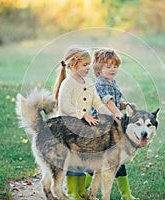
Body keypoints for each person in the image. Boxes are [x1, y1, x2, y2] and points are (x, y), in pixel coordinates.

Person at [53, 46, 112, 200]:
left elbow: (97, 103)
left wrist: (111, 115)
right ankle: (72, 190)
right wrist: (84, 115)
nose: (88, 68)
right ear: (73, 65)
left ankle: (81, 190)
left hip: (82, 128)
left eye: (89, 64)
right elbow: (65, 107)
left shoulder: (89, 82)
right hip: (67, 128)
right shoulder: (68, 83)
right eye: (85, 65)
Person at [89, 48, 139, 200]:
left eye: (115, 66)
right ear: (99, 69)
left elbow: (116, 100)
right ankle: (85, 189)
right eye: (108, 67)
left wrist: (125, 105)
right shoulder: (101, 83)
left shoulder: (112, 82)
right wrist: (117, 112)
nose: (113, 69)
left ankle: (126, 194)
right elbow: (108, 101)